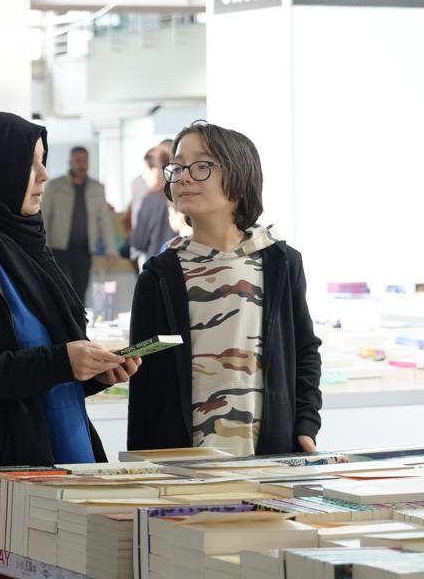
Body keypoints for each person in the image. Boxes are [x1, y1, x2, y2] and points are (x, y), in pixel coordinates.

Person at [0, 113, 140, 469]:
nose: (43, 174)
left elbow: (44, 366)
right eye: (28, 164)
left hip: (61, 453)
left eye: (42, 161)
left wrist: (92, 372)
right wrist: (61, 362)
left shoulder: (27, 247)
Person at [126, 121, 323, 457]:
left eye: (201, 166)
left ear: (240, 177)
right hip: (183, 461)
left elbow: (304, 351)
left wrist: (306, 424)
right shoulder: (160, 276)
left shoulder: (281, 263)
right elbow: (145, 379)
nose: (184, 177)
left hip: (267, 455)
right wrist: (143, 464)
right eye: (177, 167)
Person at [42, 145, 119, 301]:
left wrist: (111, 249)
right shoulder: (55, 186)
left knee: (80, 293)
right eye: (78, 160)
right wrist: (43, 246)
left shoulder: (97, 188)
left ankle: (78, 318)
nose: (81, 164)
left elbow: (104, 220)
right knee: (61, 290)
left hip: (84, 250)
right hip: (58, 249)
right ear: (70, 162)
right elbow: (44, 217)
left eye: (85, 161)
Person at [131, 144, 175, 269]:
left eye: (145, 171)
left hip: (156, 264)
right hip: (181, 261)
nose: (144, 176)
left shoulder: (150, 199)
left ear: (155, 171)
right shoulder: (180, 194)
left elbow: (139, 241)